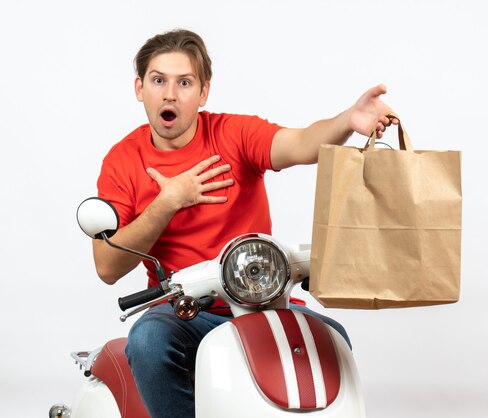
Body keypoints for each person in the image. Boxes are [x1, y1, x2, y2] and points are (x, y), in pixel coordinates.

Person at [93, 29, 396, 417]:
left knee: (333, 339)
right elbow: (107, 266)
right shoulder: (122, 160)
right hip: (184, 311)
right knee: (148, 339)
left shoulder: (233, 134)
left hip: (260, 303)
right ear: (140, 87)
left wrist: (348, 120)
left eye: (184, 82)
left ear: (203, 93)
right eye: (158, 80)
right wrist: (167, 202)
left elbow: (300, 143)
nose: (170, 94)